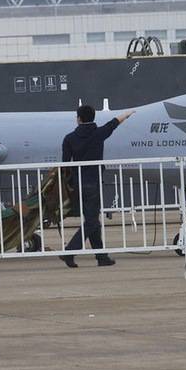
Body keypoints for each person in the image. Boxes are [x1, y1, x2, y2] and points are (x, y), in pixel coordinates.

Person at [60, 105, 134, 268]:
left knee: (92, 220)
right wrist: (127, 114)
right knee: (92, 221)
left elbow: (65, 164)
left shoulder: (69, 138)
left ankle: (101, 257)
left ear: (79, 118)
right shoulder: (98, 134)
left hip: (78, 183)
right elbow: (113, 123)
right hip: (93, 182)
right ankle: (69, 251)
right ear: (93, 117)